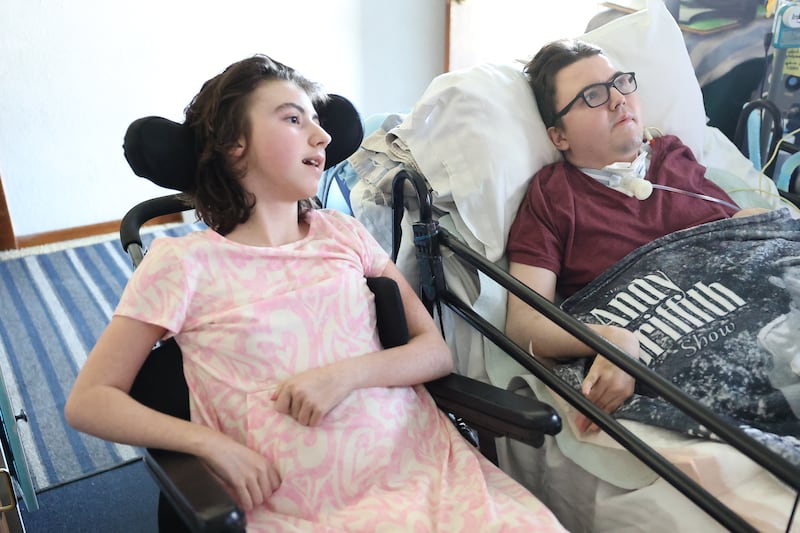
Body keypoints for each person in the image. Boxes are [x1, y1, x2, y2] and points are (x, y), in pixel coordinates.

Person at [64, 54, 565, 532]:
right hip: (294, 509)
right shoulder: (182, 264)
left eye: (316, 121)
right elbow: (90, 401)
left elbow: (432, 351)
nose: (322, 135)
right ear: (235, 144)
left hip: (426, 475)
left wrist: (344, 376)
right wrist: (208, 444)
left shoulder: (343, 234)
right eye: (292, 119)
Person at [504, 39, 768, 433]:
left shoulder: (673, 157)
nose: (617, 101)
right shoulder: (554, 197)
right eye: (592, 96)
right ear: (559, 137)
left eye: (620, 83)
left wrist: (768, 226)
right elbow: (524, 322)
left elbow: (740, 235)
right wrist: (612, 340)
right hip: (692, 340)